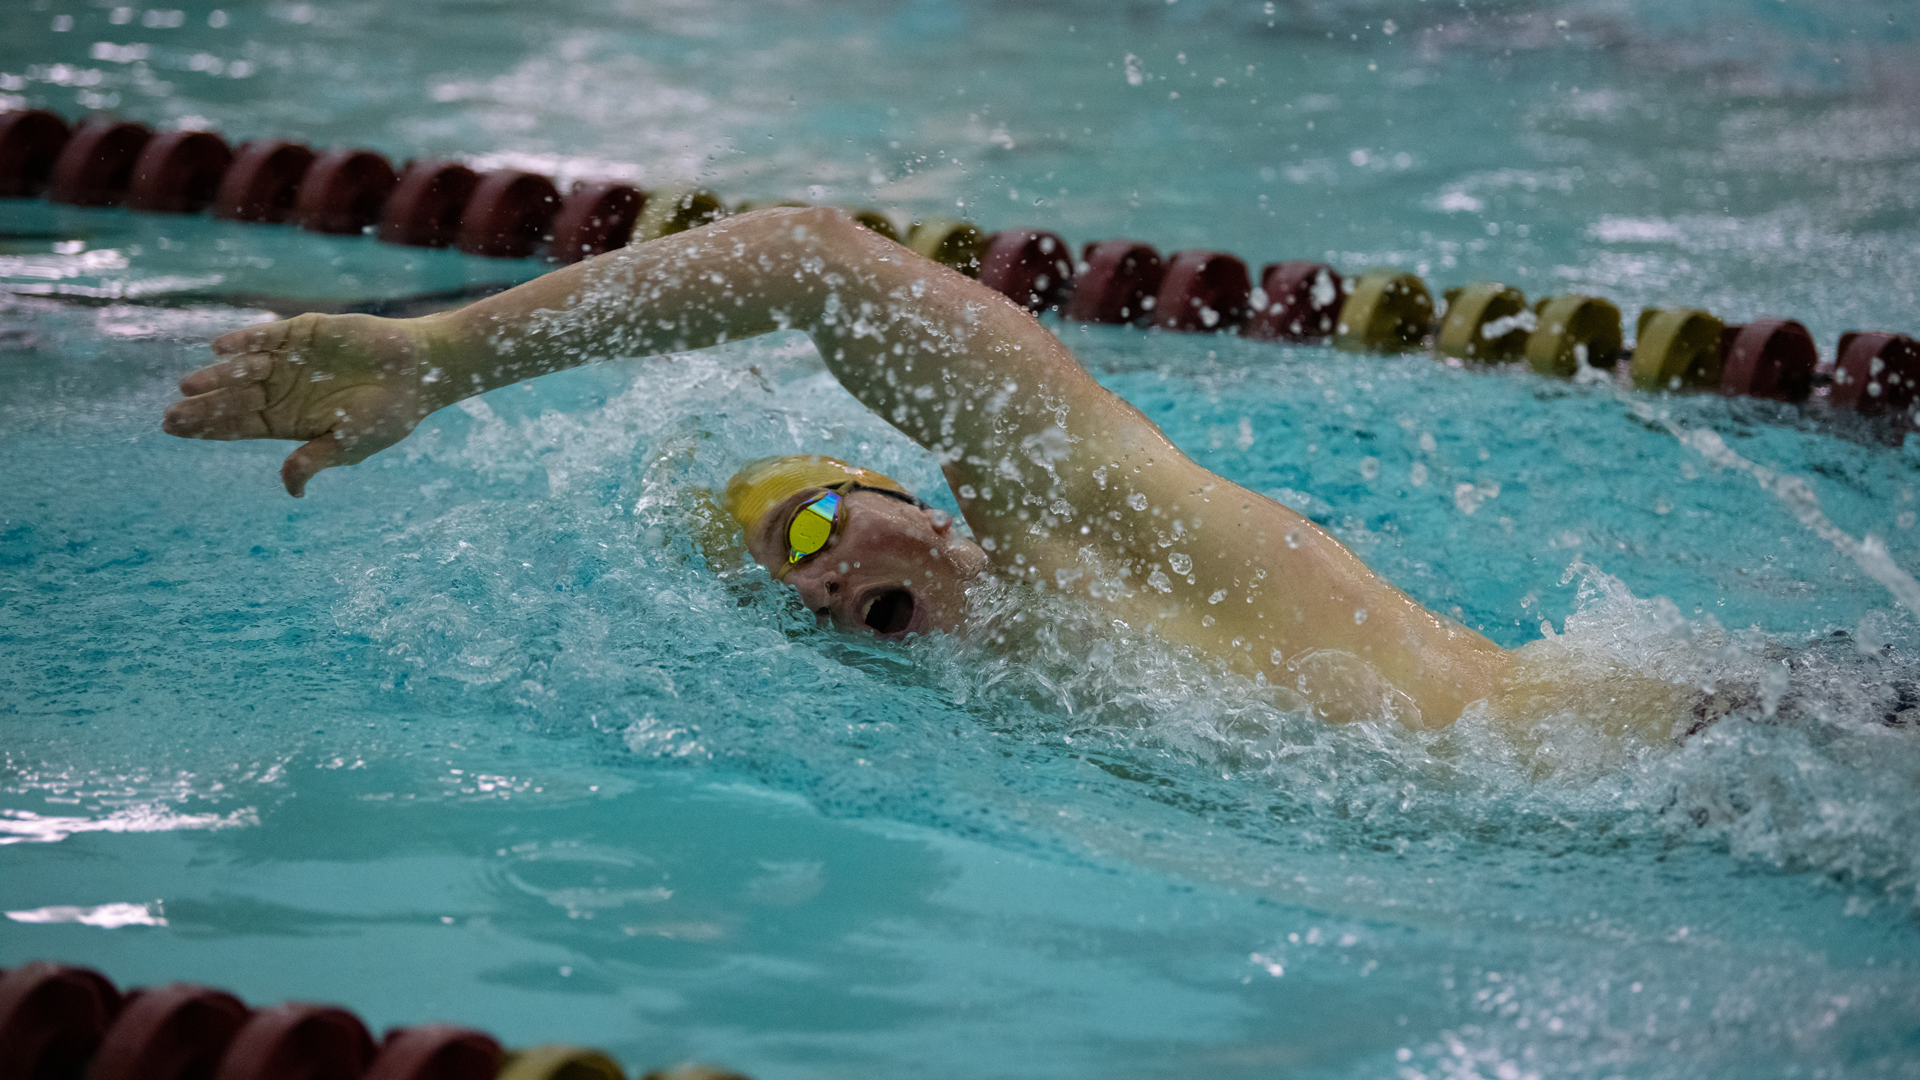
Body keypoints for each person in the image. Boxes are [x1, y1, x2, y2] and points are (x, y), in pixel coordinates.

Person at [160, 206, 1667, 730]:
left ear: (922, 500)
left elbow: (816, 263)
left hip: (1699, 740)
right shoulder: (1024, 704)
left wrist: (450, 358)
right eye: (783, 583)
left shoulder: (1071, 514)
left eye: (809, 514)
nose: (813, 577)